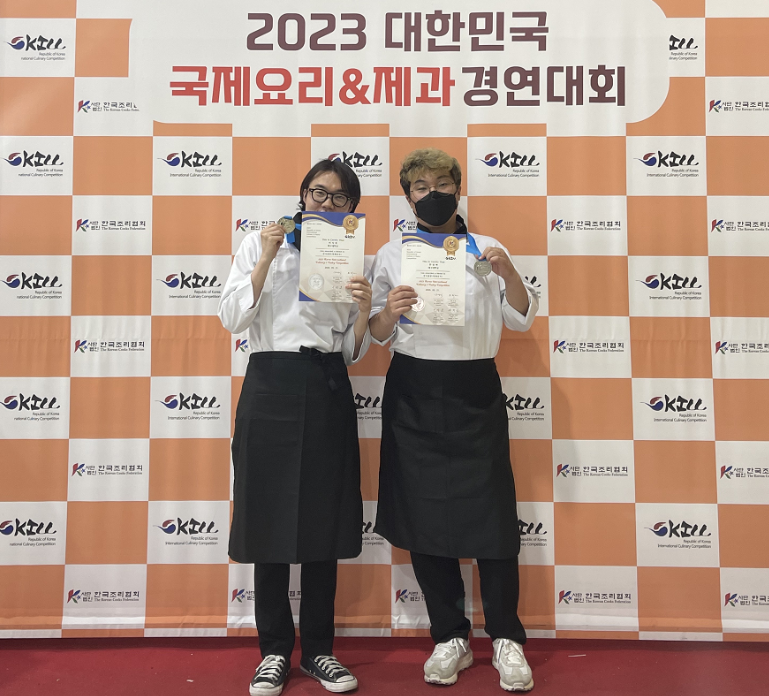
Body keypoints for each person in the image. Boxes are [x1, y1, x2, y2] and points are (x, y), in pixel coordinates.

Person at [369, 148, 538, 692]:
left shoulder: (487, 248)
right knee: (424, 515)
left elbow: (521, 317)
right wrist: (389, 311)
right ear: (407, 196)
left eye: (443, 183)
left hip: (475, 389)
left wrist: (508, 272)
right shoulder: (390, 254)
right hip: (413, 390)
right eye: (421, 186)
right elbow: (374, 333)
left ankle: (506, 637)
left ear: (458, 190)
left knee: (493, 516)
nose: (433, 193)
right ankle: (450, 637)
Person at [218, 159, 372, 696]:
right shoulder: (260, 243)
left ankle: (320, 650)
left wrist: (363, 309)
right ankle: (274, 651)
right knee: (267, 519)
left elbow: (349, 349)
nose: (325, 203)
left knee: (324, 520)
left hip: (326, 383)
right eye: (317, 193)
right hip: (269, 383)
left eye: (338, 198)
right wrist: (265, 256)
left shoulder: (353, 254)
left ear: (351, 207)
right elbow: (233, 318)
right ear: (302, 194)